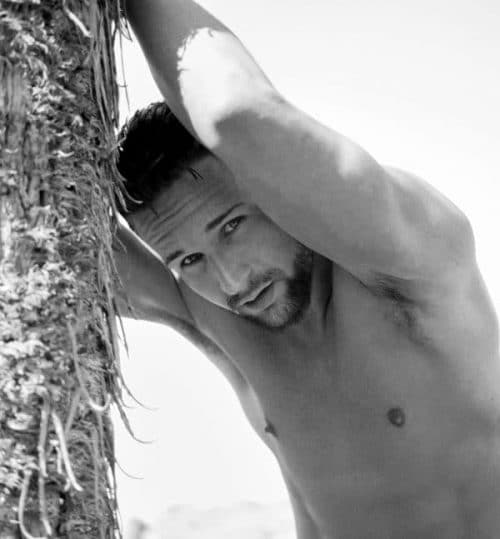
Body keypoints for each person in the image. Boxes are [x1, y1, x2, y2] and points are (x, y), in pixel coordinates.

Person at [114, 1, 500, 537]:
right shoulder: (211, 317)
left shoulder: (409, 261)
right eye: (189, 260)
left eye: (232, 226)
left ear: (277, 191)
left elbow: (236, 116)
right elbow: (42, 227)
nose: (231, 282)